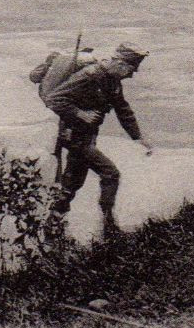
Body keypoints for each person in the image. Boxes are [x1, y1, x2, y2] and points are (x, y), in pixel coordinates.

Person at [38, 43, 153, 230]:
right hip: (74, 136)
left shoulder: (112, 81)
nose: (132, 74)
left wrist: (138, 138)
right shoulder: (90, 75)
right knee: (110, 173)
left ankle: (53, 225)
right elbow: (55, 99)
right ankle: (108, 225)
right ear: (120, 63)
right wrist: (80, 113)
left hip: (87, 137)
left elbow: (123, 110)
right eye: (131, 69)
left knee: (72, 182)